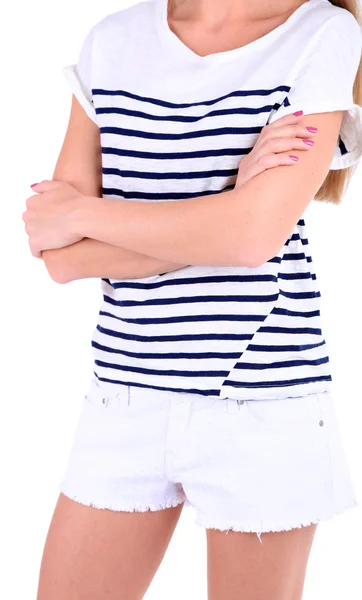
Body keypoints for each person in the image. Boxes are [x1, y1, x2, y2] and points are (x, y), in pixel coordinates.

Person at [23, 0, 362, 598]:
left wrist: (83, 211)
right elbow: (62, 257)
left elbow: (252, 238)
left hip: (262, 404)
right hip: (123, 395)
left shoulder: (323, 32)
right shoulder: (114, 39)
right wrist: (233, 204)